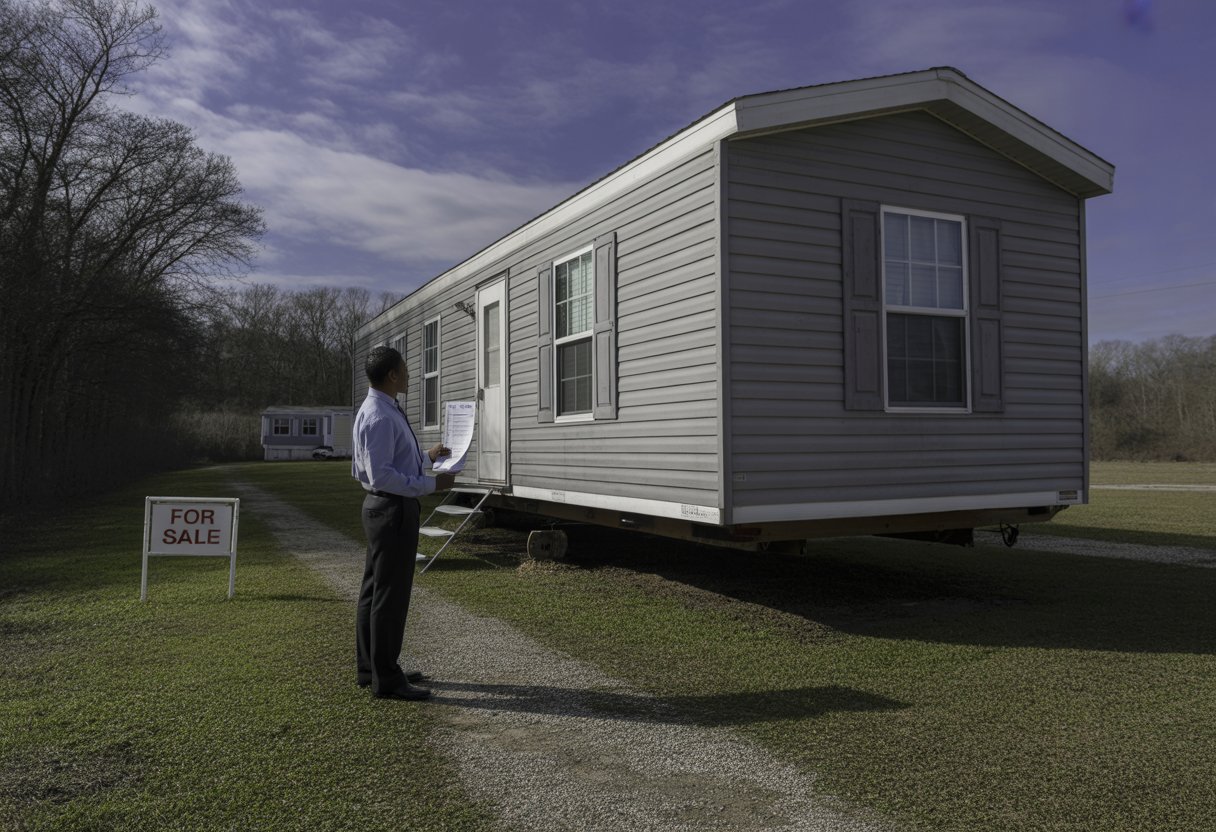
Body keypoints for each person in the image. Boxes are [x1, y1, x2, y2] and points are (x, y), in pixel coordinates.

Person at [351, 345, 455, 700]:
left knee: (375, 591)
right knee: (390, 597)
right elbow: (382, 475)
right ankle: (388, 679)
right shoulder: (379, 415)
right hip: (391, 510)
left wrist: (427, 456)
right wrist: (431, 484)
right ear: (393, 375)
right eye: (405, 369)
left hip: (383, 510)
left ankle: (372, 667)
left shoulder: (380, 409)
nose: (409, 374)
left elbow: (390, 461)